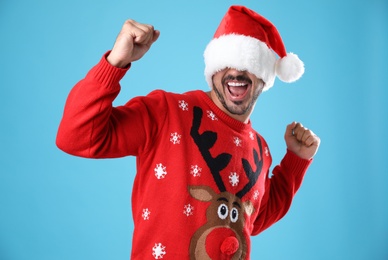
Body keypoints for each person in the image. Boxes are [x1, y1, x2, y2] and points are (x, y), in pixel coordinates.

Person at [56, 5, 320, 260]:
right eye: (230, 60)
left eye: (250, 63)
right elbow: (75, 136)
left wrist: (296, 161)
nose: (238, 71)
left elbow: (253, 218)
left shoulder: (260, 149)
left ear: (265, 77)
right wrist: (115, 63)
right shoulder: (165, 112)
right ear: (214, 68)